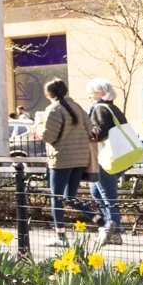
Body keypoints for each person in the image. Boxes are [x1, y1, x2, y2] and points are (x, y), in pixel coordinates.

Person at [39, 79, 100, 237]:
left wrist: (38, 127)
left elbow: (48, 136)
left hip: (61, 160)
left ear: (49, 93)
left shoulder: (54, 110)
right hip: (80, 159)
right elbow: (89, 129)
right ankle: (97, 218)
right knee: (70, 198)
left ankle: (60, 235)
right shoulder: (77, 107)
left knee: (56, 198)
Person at [86, 79, 126, 244]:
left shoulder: (99, 108)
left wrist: (84, 132)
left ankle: (114, 231)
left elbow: (99, 132)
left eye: (92, 92)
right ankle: (109, 228)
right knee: (96, 192)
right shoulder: (112, 108)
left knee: (107, 195)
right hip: (117, 157)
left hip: (105, 158)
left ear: (100, 93)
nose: (89, 95)